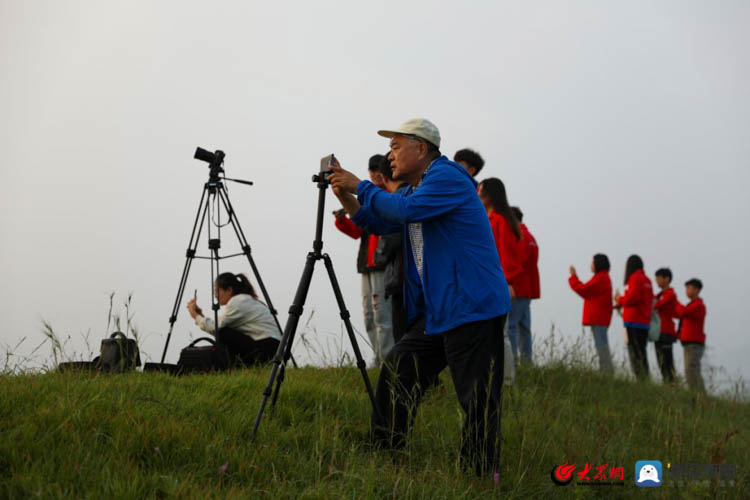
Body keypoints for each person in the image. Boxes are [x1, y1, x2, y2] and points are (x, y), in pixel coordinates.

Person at [328, 118, 510, 478]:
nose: (389, 155)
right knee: (398, 369)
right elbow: (381, 223)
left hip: (472, 305)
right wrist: (346, 196)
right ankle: (386, 453)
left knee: (476, 399)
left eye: (396, 147)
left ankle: (479, 476)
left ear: (421, 148)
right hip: (441, 310)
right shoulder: (416, 191)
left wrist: (360, 184)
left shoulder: (448, 177)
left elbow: (403, 212)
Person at [332, 154, 394, 366]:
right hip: (366, 265)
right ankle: (379, 359)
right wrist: (342, 221)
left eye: (378, 171)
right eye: (371, 171)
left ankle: (387, 360)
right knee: (369, 315)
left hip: (381, 264)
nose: (375, 175)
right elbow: (359, 230)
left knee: (381, 315)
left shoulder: (386, 197)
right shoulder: (370, 197)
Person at [478, 178, 526, 363]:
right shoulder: (489, 219)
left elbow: (508, 256)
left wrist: (507, 282)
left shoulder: (500, 221)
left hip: (497, 284)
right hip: (487, 283)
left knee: (500, 334)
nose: (477, 193)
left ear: (489, 195)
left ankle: (506, 381)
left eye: (480, 190)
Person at [186, 272, 280, 366]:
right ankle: (240, 366)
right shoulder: (245, 299)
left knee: (223, 334)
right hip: (273, 347)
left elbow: (216, 328)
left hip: (266, 348)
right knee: (223, 331)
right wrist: (200, 316)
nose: (215, 295)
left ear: (229, 290)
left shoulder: (237, 302)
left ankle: (237, 366)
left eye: (217, 291)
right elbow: (216, 326)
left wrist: (194, 315)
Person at [372, 153, 410, 344]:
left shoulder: (394, 201)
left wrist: (378, 256)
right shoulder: (415, 195)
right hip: (417, 279)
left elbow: (389, 239)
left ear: (384, 177)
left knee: (402, 335)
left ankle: (399, 371)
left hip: (401, 278)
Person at [568, 254, 614, 374]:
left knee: (601, 347)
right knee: (602, 346)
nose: (591, 265)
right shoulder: (603, 277)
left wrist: (573, 277)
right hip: (601, 318)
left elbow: (583, 289)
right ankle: (606, 372)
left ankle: (606, 373)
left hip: (598, 318)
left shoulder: (601, 278)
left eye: (593, 263)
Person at [614, 255, 654, 381]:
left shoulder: (635, 278)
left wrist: (619, 299)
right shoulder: (647, 280)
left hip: (633, 321)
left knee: (635, 352)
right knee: (642, 351)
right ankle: (644, 378)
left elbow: (632, 297)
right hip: (644, 321)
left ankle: (641, 379)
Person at [511, 206, 540, 362]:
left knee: (511, 327)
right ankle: (527, 363)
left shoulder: (519, 237)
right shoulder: (530, 237)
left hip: (518, 288)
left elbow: (517, 262)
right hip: (527, 289)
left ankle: (514, 361)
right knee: (524, 328)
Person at [675, 278, 707, 393]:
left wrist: (675, 302)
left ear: (697, 290)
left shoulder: (698, 305)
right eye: (686, 288)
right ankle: (695, 394)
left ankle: (699, 396)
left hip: (694, 343)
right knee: (690, 371)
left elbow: (683, 312)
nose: (687, 291)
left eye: (689, 288)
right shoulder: (692, 305)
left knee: (692, 370)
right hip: (689, 343)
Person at [653, 268, 679, 383]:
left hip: (666, 331)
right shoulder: (659, 295)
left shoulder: (670, 294)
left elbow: (656, 305)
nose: (657, 281)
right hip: (659, 331)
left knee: (667, 360)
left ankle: (671, 383)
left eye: (659, 278)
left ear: (667, 279)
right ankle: (667, 382)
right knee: (660, 359)